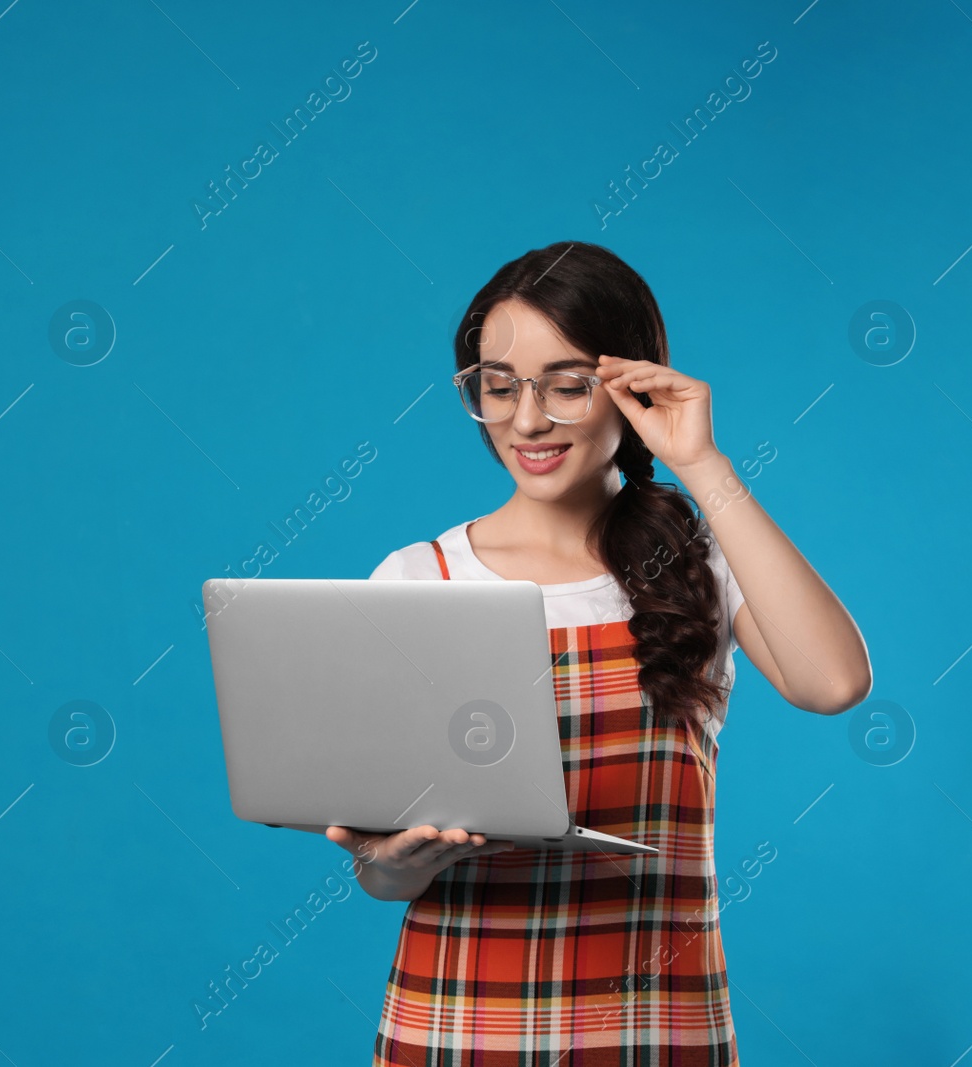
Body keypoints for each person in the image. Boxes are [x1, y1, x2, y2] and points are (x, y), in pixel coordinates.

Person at [325, 241, 872, 1065]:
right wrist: (397, 860)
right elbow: (378, 874)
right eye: (499, 387)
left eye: (567, 384)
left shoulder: (696, 562)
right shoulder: (417, 578)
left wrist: (702, 463)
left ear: (632, 385)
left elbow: (834, 681)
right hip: (458, 1021)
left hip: (659, 1027)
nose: (528, 419)